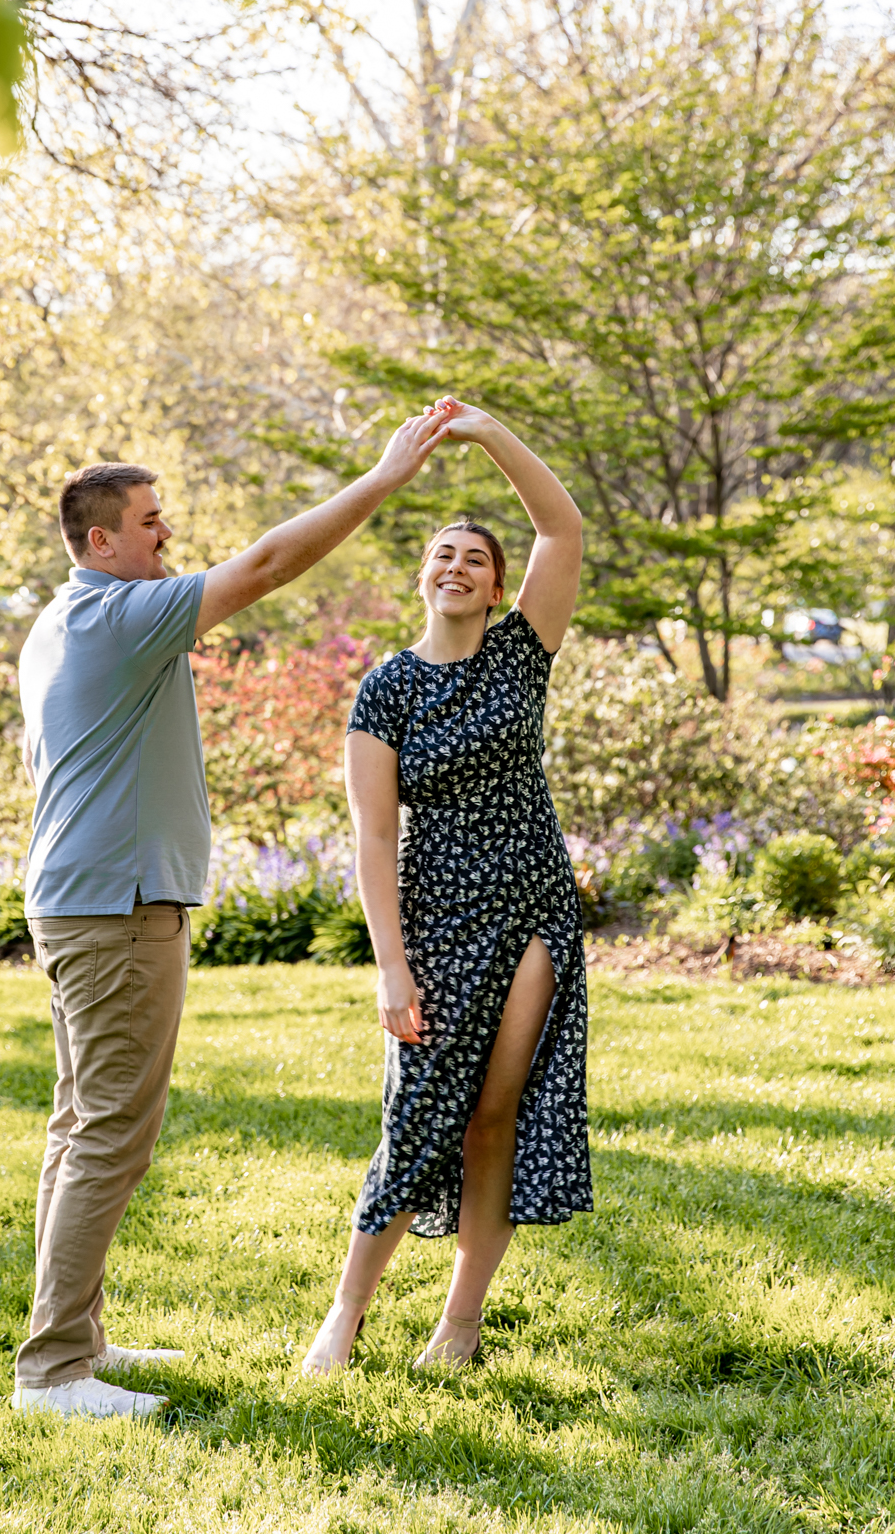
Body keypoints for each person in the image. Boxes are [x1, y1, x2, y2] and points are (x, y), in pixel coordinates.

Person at [12, 410, 453, 1421]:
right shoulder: (117, 614)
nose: (167, 535)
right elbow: (263, 565)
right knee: (108, 1134)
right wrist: (383, 476)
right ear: (101, 541)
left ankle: (74, 1338)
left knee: (82, 1124)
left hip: (86, 900)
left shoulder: (55, 623)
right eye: (151, 521)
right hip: (117, 909)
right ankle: (50, 1373)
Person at [300, 397, 589, 1377]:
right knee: (416, 1115)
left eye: (474, 556)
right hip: (432, 921)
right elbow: (373, 834)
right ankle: (345, 1313)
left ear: (496, 583)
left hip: (534, 906)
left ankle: (460, 1323)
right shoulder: (386, 687)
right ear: (422, 577)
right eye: (441, 554)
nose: (455, 565)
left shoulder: (520, 652)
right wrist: (391, 965)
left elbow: (564, 524)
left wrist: (487, 430)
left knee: (493, 1111)